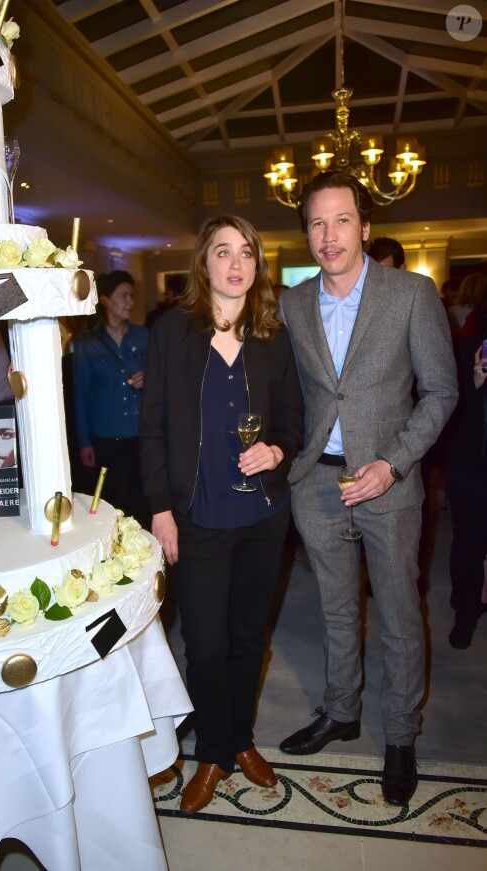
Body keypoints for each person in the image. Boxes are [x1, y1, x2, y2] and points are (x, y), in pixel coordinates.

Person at [278, 171, 457, 806]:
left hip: (387, 482)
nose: (329, 237)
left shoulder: (411, 293)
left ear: (365, 227)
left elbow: (441, 391)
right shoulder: (292, 304)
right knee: (334, 610)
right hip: (317, 484)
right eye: (317, 224)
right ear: (307, 234)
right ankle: (341, 710)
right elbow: (291, 391)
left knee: (401, 617)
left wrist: (394, 461)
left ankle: (401, 737)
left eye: (341, 221)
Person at [139, 215, 304, 814]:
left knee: (247, 640)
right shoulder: (170, 333)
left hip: (263, 517)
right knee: (204, 645)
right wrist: (159, 507)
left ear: (257, 266)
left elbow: (293, 418)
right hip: (199, 518)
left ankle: (239, 741)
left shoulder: (273, 335)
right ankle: (210, 752)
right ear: (203, 263)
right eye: (222, 252)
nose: (236, 264)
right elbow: (152, 427)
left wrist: (279, 449)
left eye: (247, 254)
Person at [73, 271, 150, 524]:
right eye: (123, 296)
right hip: (104, 435)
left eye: (131, 296)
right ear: (105, 300)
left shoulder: (143, 336)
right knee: (109, 500)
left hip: (141, 434)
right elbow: (81, 394)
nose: (130, 302)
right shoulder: (86, 342)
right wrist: (84, 442)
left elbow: (164, 381)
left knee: (142, 498)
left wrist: (149, 377)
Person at [443, 290, 487, 649]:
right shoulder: (466, 347)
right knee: (468, 544)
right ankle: (465, 613)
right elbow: (448, 408)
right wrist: (476, 381)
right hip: (470, 463)